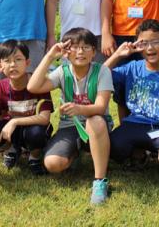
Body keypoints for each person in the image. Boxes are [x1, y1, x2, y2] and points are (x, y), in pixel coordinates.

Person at [28, 28, 114, 206]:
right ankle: (74, 153)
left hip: (96, 126)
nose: (80, 52)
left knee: (95, 121)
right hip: (70, 126)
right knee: (52, 164)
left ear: (94, 52)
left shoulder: (102, 71)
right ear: (66, 52)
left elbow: (100, 107)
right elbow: (33, 87)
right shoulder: (63, 71)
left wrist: (79, 108)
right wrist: (50, 56)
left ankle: (100, 181)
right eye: (74, 47)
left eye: (86, 47)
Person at [104, 19, 159, 174]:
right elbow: (99, 76)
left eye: (155, 42)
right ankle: (139, 152)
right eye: (144, 43)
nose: (150, 48)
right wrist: (118, 54)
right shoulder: (131, 68)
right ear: (137, 46)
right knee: (110, 146)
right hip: (134, 124)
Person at [0, 40, 54, 175]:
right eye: (7, 61)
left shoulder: (38, 83)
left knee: (36, 133)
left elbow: (45, 118)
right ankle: (12, 150)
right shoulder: (1, 86)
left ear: (27, 62)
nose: (13, 64)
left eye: (18, 59)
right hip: (12, 131)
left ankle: (34, 157)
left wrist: (14, 121)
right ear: (0, 66)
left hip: (33, 128)